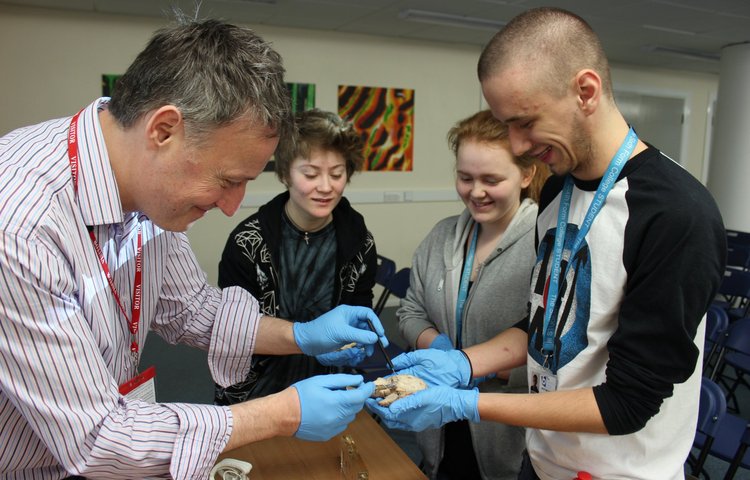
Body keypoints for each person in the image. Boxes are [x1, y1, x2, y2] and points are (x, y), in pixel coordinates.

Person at [0, 19, 389, 479]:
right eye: (228, 181)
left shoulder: (147, 189)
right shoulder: (20, 225)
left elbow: (191, 309)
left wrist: (300, 335)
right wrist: (281, 413)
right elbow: (99, 436)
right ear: (163, 130)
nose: (231, 208)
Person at [367, 7, 726, 480]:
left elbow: (627, 404)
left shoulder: (675, 214)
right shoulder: (559, 189)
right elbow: (545, 323)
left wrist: (470, 402)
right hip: (542, 460)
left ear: (586, 91)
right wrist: (462, 362)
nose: (516, 145)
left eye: (525, 122)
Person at [397, 110, 547, 480]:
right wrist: (441, 350)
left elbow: (553, 352)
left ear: (526, 175)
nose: (475, 191)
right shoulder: (442, 236)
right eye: (465, 178)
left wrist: (481, 365)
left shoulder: (544, 243)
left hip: (507, 432)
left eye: (491, 179)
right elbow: (410, 311)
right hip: (441, 429)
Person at [215, 108, 377, 404]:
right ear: (286, 172)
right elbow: (235, 331)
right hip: (257, 395)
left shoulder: (359, 241)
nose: (326, 187)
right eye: (311, 174)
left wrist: (356, 335)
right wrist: (305, 343)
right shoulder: (248, 243)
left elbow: (359, 305)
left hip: (328, 389)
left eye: (337, 174)